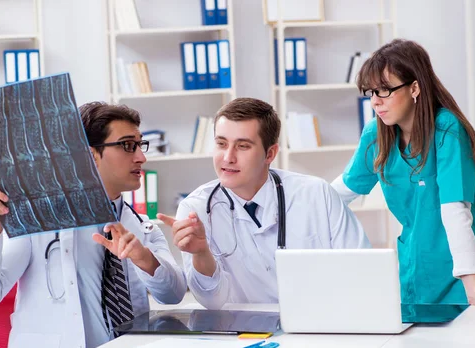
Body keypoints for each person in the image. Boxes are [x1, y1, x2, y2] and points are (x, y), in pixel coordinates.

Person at [0, 102, 187, 348]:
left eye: (140, 145)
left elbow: (173, 294)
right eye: (128, 146)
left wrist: (144, 259)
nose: (142, 156)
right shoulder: (39, 222)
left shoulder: (142, 226)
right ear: (89, 155)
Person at [331, 39, 475, 306]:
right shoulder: (376, 135)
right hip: (418, 268)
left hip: (468, 271)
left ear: (414, 87)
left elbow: (455, 210)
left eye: (385, 91)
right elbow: (338, 193)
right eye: (371, 93)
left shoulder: (447, 130)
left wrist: (474, 291)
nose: (375, 103)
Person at [158, 97, 370, 310]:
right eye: (221, 144)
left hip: (319, 324)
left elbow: (363, 270)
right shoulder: (195, 209)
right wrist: (201, 253)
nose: (228, 158)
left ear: (270, 154)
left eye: (242, 146)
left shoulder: (316, 194)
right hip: (245, 332)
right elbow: (212, 302)